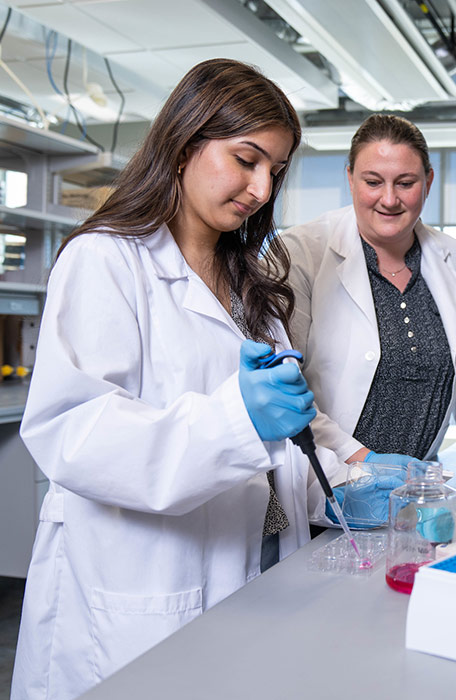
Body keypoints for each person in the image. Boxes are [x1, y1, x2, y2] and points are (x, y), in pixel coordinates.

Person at [10, 59, 341, 700]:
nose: (261, 188)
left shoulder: (255, 291)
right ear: (186, 143)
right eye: (247, 159)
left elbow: (277, 452)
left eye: (275, 170)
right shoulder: (105, 260)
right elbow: (75, 435)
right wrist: (235, 419)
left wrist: (340, 489)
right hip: (137, 588)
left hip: (250, 575)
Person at [282, 114, 456, 474]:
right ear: (350, 178)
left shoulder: (448, 254)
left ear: (429, 180)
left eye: (406, 182)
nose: (389, 199)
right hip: (331, 480)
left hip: (419, 482)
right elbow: (287, 382)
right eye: (373, 182)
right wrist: (360, 460)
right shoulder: (303, 252)